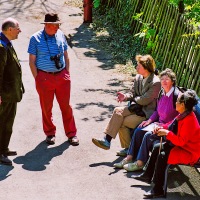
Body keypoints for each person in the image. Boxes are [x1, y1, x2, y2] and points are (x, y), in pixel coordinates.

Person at [134, 90, 200, 199]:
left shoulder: (190, 120)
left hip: (190, 152)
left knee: (163, 155)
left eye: (177, 101)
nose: (175, 102)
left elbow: (181, 141)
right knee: (157, 147)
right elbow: (170, 124)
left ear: (183, 105)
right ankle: (148, 175)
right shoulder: (184, 114)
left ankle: (158, 189)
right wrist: (161, 127)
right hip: (182, 147)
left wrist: (167, 133)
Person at [28, 13, 79, 146]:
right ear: (47, 25)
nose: (57, 28)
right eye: (55, 26)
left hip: (62, 76)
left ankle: (71, 134)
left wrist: (67, 72)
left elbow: (66, 55)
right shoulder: (35, 39)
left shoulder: (61, 34)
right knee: (46, 107)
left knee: (66, 106)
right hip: (44, 78)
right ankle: (50, 133)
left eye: (58, 25)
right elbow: (31, 62)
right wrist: (38, 78)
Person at [92, 54, 161, 153]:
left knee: (121, 121)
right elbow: (132, 92)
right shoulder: (138, 77)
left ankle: (128, 149)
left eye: (139, 66)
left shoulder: (155, 82)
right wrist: (125, 96)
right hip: (136, 108)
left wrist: (133, 98)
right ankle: (107, 140)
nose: (136, 67)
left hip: (145, 113)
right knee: (117, 111)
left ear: (146, 68)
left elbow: (145, 100)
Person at [113, 68, 179, 171]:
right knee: (139, 129)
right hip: (158, 124)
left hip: (169, 129)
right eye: (162, 79)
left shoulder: (176, 96)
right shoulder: (162, 93)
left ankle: (140, 163)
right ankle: (129, 158)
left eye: (167, 79)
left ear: (173, 81)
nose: (164, 82)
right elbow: (157, 111)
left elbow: (178, 119)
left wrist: (164, 126)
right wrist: (149, 121)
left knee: (148, 135)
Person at [0, 18, 24, 165]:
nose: (19, 31)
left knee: (8, 122)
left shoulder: (7, 43)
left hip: (11, 94)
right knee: (2, 122)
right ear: (10, 29)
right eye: (17, 28)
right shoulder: (1, 47)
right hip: (5, 95)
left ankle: (3, 148)